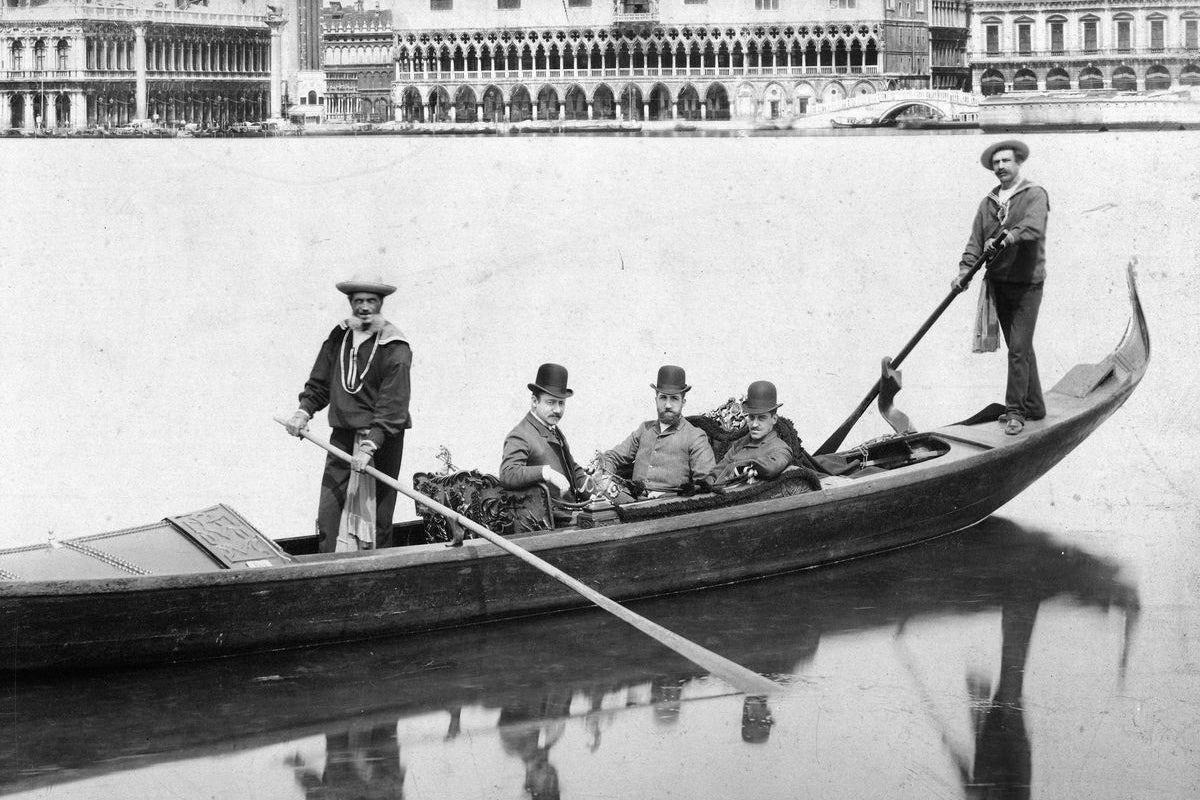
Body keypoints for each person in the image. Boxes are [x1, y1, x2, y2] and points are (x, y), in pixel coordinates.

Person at [285, 273, 412, 552]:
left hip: (383, 438)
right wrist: (303, 411)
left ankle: (381, 573)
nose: (364, 307)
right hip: (343, 433)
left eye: (371, 301)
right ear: (350, 302)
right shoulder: (339, 336)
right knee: (330, 510)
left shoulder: (395, 345)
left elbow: (394, 403)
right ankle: (327, 570)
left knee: (378, 515)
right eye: (358, 301)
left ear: (380, 303)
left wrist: (370, 445)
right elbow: (320, 381)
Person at [953, 139, 1050, 436]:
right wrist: (963, 272)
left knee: (1018, 350)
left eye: (1006, 161)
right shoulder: (988, 203)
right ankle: (1035, 406)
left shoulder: (1034, 194)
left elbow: (1034, 228)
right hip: (999, 284)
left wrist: (1006, 239)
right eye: (996, 163)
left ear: (1018, 162)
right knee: (1018, 348)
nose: (1000, 168)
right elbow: (975, 241)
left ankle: (1016, 412)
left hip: (1027, 284)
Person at [600, 365, 716, 497]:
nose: (667, 405)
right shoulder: (644, 429)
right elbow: (611, 457)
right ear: (656, 400)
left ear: (683, 402)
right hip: (631, 504)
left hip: (669, 510)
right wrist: (606, 479)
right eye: (663, 398)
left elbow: (706, 484)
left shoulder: (695, 436)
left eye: (674, 398)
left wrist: (666, 496)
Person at [499, 363, 589, 502]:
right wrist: (545, 472)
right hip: (548, 519)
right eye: (550, 402)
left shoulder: (552, 428)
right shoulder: (520, 434)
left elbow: (572, 468)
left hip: (570, 511)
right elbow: (508, 473)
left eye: (561, 403)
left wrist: (594, 493)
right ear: (535, 401)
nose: (557, 410)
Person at [712, 381, 795, 484]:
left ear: (774, 419)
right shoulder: (739, 444)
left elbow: (770, 468)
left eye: (761, 418)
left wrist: (741, 468)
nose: (754, 424)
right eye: (751, 417)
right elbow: (716, 472)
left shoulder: (780, 449)